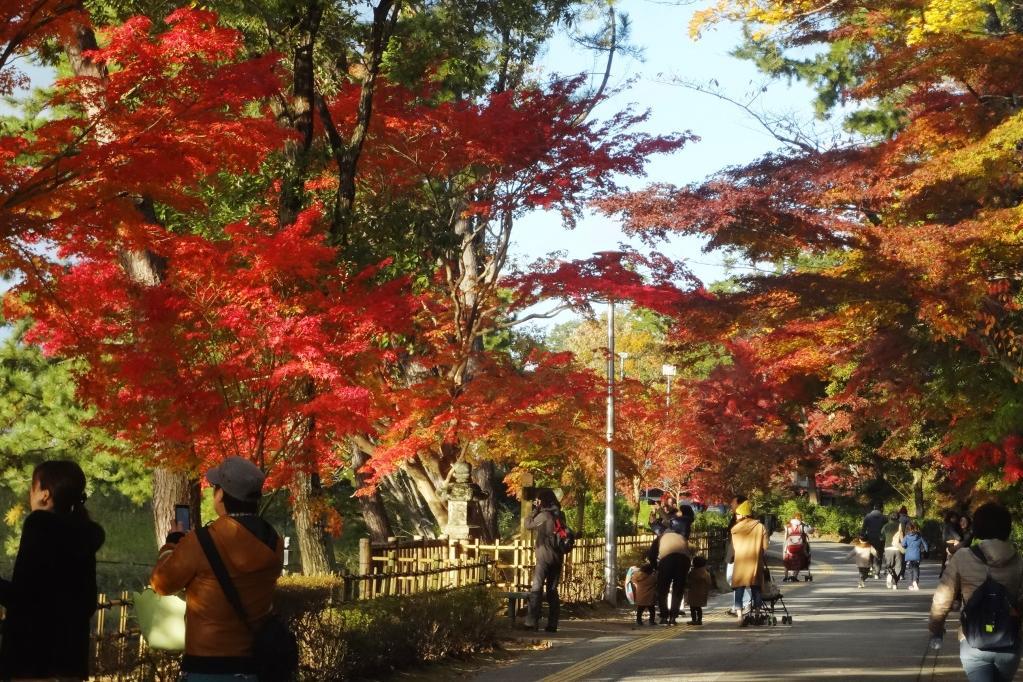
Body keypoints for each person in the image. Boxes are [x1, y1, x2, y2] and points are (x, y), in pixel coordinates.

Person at [151, 457, 284, 680]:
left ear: (221, 494)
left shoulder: (201, 541)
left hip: (206, 665)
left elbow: (161, 583)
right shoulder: (274, 542)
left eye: (215, 488)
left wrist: (172, 544)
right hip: (253, 665)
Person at [0, 461, 105, 681]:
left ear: (44, 495)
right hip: (70, 660)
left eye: (33, 486)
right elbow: (86, 602)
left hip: (33, 660)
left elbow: (23, 598)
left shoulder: (39, 526)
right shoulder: (83, 534)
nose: (30, 492)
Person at [929, 502, 1023, 682]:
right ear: (1008, 528)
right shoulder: (1018, 560)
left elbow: (942, 598)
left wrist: (936, 628)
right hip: (1009, 640)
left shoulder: (963, 557)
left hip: (973, 639)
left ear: (977, 528)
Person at [523, 488, 566, 632]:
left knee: (537, 588)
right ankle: (552, 624)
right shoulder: (560, 515)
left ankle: (531, 622)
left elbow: (528, 524)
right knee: (552, 590)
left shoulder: (544, 515)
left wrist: (534, 510)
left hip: (543, 557)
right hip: (558, 557)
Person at [730, 500, 769, 627]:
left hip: (740, 562)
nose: (736, 516)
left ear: (743, 515)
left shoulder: (735, 529)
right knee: (756, 589)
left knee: (739, 590)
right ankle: (757, 614)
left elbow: (733, 548)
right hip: (755, 562)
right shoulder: (760, 527)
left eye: (737, 514)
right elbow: (765, 547)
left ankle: (740, 616)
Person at [647, 520, 690, 625]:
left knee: (663, 590)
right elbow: (688, 552)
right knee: (678, 590)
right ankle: (673, 617)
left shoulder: (660, 538)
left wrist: (655, 567)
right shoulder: (681, 537)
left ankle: (664, 616)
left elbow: (652, 555)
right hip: (683, 561)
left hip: (667, 561)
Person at [902, 520, 929, 591]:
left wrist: (906, 547)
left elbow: (903, 544)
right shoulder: (919, 536)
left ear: (908, 528)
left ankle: (910, 585)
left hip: (908, 556)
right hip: (917, 555)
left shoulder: (907, 537)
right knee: (916, 569)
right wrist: (926, 551)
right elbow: (925, 545)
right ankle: (915, 582)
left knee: (910, 570)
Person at [881, 512, 906, 589]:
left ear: (890, 518)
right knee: (898, 566)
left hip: (888, 548)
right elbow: (903, 536)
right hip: (898, 548)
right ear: (898, 518)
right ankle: (895, 583)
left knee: (889, 565)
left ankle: (889, 577)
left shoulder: (886, 526)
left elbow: (881, 536)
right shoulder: (901, 525)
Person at [686, 555, 712, 625]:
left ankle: (694, 620)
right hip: (702, 593)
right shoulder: (706, 573)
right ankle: (699, 620)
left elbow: (688, 582)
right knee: (698, 608)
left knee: (692, 608)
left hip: (693, 593)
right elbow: (709, 582)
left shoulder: (692, 572)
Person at [862, 504, 886, 578]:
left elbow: (863, 528)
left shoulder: (868, 516)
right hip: (880, 539)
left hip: (870, 538)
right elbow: (886, 528)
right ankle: (877, 573)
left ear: (873, 508)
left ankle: (870, 570)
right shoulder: (883, 517)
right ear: (881, 509)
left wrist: (862, 536)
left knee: (870, 555)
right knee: (879, 555)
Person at [940, 510, 963, 578]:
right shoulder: (951, 525)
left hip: (944, 544)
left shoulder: (945, 524)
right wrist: (959, 538)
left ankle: (943, 574)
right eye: (955, 517)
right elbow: (957, 536)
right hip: (950, 545)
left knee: (945, 561)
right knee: (950, 561)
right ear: (951, 518)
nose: (956, 519)